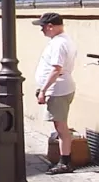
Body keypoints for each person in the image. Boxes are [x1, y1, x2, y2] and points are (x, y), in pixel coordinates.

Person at [33, 12, 78, 173]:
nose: (42, 30)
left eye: (43, 27)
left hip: (58, 89)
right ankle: (64, 159)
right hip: (60, 87)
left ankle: (65, 161)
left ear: (51, 26)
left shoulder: (59, 44)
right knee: (60, 125)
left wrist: (43, 91)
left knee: (61, 127)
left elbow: (56, 69)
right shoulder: (63, 40)